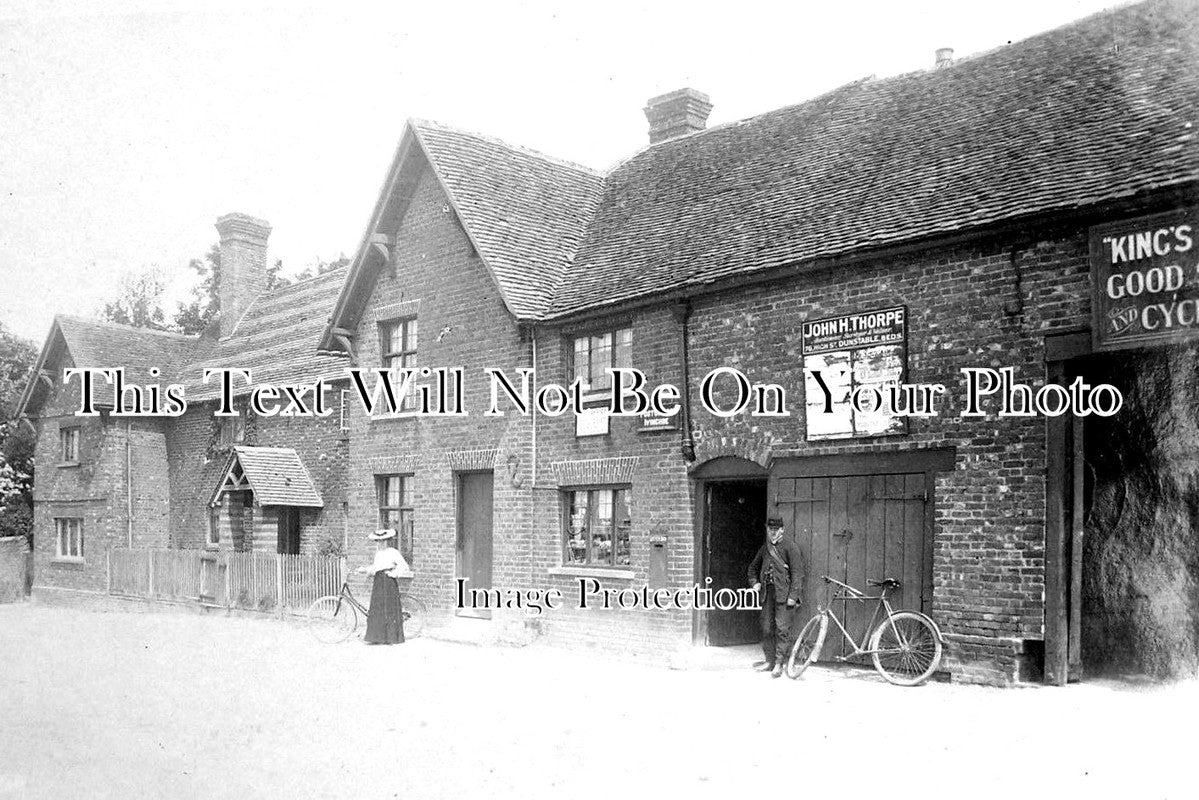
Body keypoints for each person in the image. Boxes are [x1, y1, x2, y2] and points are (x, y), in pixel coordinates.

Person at [747, 517, 806, 678]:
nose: (772, 532)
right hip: (767, 594)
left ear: (782, 530)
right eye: (770, 529)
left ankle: (779, 663)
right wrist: (755, 584)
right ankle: (769, 660)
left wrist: (793, 596)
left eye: (776, 530)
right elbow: (752, 568)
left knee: (782, 630)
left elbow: (797, 574)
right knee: (766, 627)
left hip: (785, 595)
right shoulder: (765, 548)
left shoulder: (790, 547)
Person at [358, 529, 409, 644]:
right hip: (378, 582)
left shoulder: (393, 552)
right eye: (379, 541)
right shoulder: (378, 554)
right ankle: (377, 637)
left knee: (389, 608)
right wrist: (365, 570)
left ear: (388, 541)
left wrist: (394, 573)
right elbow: (376, 568)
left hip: (388, 582)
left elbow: (404, 565)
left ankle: (391, 638)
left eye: (383, 541)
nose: (381, 543)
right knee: (378, 608)